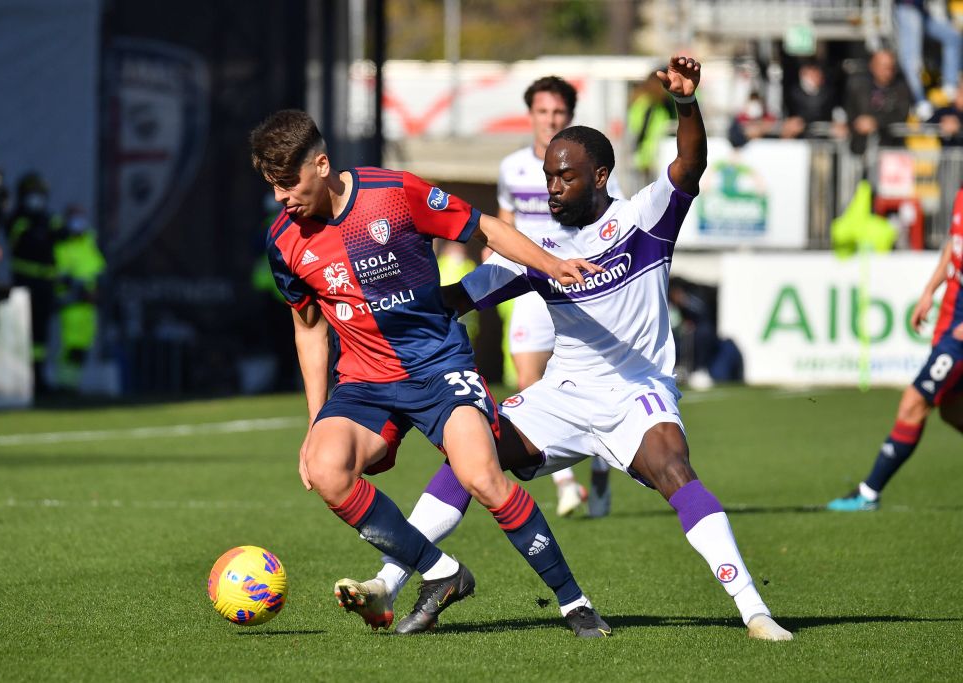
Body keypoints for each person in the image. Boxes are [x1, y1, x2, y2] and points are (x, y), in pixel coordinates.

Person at [345, 56, 794, 642]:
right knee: (469, 455)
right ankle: (390, 581)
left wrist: (686, 103)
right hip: (563, 394)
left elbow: (691, 163)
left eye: (565, 178)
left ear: (601, 176)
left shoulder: (646, 220)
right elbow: (462, 297)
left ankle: (754, 611)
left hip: (637, 390)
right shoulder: (540, 248)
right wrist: (384, 300)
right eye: (548, 178)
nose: (552, 188)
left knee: (673, 469)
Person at [249, 109, 613, 637]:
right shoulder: (283, 240)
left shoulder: (393, 192)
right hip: (365, 382)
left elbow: (485, 226)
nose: (282, 197)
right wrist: (315, 423)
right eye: (273, 187)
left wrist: (550, 265)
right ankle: (443, 573)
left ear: (322, 164)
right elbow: (308, 329)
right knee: (327, 469)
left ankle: (573, 602)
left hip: (439, 364)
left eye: (289, 183)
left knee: (482, 477)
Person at [497, 75, 619, 518]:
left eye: (559, 113)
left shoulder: (589, 168)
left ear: (570, 116)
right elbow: (504, 224)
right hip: (531, 283)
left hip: (577, 284)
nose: (550, 120)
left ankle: (603, 464)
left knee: (592, 384)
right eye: (543, 112)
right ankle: (567, 484)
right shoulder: (511, 168)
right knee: (528, 380)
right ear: (530, 115)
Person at [827, 185, 963, 511]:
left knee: (914, 402)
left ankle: (868, 493)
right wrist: (930, 290)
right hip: (951, 310)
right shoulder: (959, 192)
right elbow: (953, 246)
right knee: (952, 409)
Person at [8, 172, 62, 394]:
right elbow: (22, 243)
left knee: (41, 335)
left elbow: (62, 236)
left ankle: (39, 378)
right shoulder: (18, 219)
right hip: (25, 285)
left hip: (46, 285)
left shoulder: (47, 219)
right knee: (25, 333)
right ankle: (23, 379)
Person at [52, 206, 105, 390]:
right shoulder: (62, 242)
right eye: (75, 217)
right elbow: (59, 270)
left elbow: (97, 267)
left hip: (87, 303)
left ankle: (73, 383)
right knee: (70, 346)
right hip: (71, 301)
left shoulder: (89, 240)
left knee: (82, 345)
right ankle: (64, 384)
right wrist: (76, 288)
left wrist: (95, 289)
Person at [894, 0, 962, 121]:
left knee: (953, 37)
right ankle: (919, 100)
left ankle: (950, 84)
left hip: (921, 10)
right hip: (907, 9)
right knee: (912, 60)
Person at [844, 50, 912, 156]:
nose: (888, 71)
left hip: (890, 149)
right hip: (860, 149)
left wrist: (876, 121)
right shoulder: (858, 85)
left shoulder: (901, 86)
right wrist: (852, 124)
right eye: (884, 66)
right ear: (873, 66)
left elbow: (901, 113)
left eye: (891, 67)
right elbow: (850, 111)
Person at [780, 60, 845, 140]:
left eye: (818, 74)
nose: (816, 77)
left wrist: (839, 123)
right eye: (812, 74)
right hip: (799, 133)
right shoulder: (792, 93)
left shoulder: (829, 93)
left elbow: (838, 111)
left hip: (824, 131)